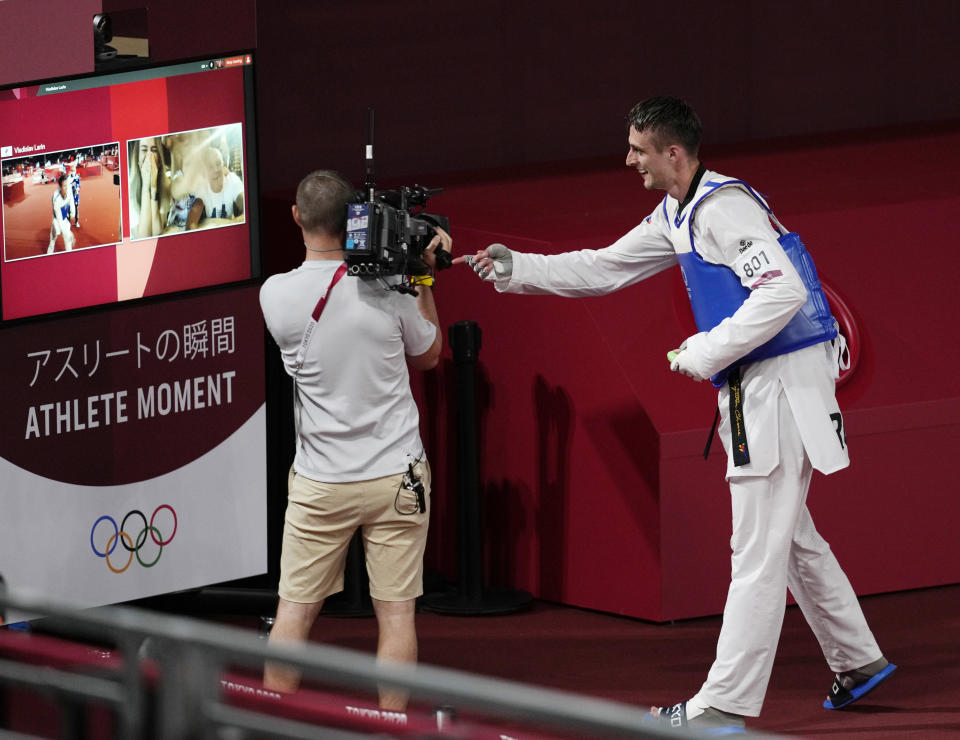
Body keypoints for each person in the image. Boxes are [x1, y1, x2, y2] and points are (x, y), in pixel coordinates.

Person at [456, 96, 894, 734]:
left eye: (638, 148)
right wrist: (515, 268)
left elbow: (785, 289)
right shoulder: (677, 212)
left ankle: (723, 706)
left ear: (673, 152)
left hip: (771, 391)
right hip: (761, 383)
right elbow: (603, 268)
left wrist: (702, 351)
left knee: (756, 553)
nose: (628, 159)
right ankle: (859, 660)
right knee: (788, 537)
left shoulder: (724, 210)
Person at [259, 170, 451, 710]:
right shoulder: (390, 290)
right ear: (354, 223)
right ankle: (392, 727)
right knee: (396, 616)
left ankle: (272, 724)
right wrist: (423, 277)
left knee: (293, 613)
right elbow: (431, 354)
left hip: (321, 485)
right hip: (397, 478)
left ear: (296, 217)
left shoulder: (273, 295)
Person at [47, 174, 76, 254]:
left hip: (65, 219)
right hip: (57, 221)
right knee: (52, 242)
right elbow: (59, 217)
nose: (66, 188)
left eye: (67, 185)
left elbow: (72, 201)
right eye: (64, 186)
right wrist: (69, 233)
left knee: (68, 244)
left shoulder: (69, 189)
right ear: (60, 187)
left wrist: (73, 212)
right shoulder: (56, 197)